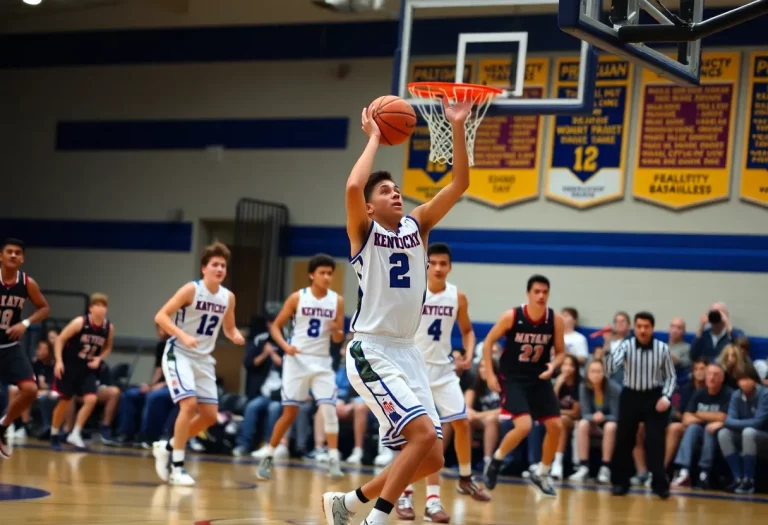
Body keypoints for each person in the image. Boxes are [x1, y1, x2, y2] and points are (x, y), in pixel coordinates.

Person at [321, 98, 471, 525]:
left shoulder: (418, 225)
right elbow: (353, 189)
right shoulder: (363, 232)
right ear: (370, 207)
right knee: (421, 434)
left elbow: (459, 183)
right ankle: (377, 519)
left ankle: (347, 504)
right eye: (385, 190)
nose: (396, 193)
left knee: (432, 457)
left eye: (397, 189)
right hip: (371, 349)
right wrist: (374, 137)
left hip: (409, 353)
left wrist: (457, 126)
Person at [396, 242, 489, 523]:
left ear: (449, 266)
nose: (437, 268)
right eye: (432, 263)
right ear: (426, 265)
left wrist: (469, 355)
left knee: (461, 423)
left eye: (443, 264)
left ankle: (463, 477)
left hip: (444, 370)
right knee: (419, 436)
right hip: (413, 370)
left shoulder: (457, 297)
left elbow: (468, 331)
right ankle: (407, 493)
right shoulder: (412, 291)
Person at [152, 242, 245, 486]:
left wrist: (234, 335)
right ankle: (178, 467)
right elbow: (160, 316)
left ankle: (168, 446)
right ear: (204, 268)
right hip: (179, 352)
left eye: (223, 265)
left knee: (209, 416)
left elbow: (229, 326)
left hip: (204, 359)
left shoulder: (228, 298)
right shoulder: (190, 290)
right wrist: (182, 335)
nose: (219, 269)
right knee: (189, 405)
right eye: (214, 264)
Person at [257, 254, 345, 479]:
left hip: (322, 362)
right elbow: (275, 327)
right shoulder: (298, 297)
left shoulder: (337, 301)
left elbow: (338, 340)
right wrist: (286, 347)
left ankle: (334, 458)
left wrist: (337, 330)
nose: (326, 277)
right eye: (322, 273)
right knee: (289, 413)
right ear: (311, 275)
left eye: (329, 273)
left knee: (329, 409)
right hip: (297, 361)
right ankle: (269, 454)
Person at [481, 274, 566, 496]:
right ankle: (496, 460)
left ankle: (542, 472)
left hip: (539, 378)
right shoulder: (512, 316)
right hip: (513, 378)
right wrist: (490, 374)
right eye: (536, 292)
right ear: (528, 293)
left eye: (545, 292)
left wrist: (553, 365)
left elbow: (561, 352)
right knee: (524, 425)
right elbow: (488, 342)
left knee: (557, 426)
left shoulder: (555, 320)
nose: (541, 296)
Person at [605, 311, 676, 499]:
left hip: (654, 397)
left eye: (646, 327)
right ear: (634, 328)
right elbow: (610, 368)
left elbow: (671, 377)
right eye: (639, 326)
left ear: (652, 328)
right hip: (630, 396)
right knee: (624, 439)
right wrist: (608, 346)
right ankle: (620, 482)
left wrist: (666, 397)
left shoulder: (662, 348)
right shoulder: (625, 345)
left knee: (655, 440)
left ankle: (659, 484)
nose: (643, 330)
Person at [0, 238, 50, 458]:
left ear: (22, 258)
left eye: (17, 253)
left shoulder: (27, 283)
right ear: (0, 256)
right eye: (9, 252)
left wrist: (26, 323)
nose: (13, 255)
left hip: (10, 346)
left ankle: (3, 426)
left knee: (30, 390)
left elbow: (44, 308)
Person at [51, 293, 113, 449]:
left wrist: (99, 358)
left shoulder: (108, 327)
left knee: (91, 399)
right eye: (97, 305)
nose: (101, 309)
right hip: (70, 365)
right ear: (91, 308)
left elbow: (107, 348)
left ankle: (75, 433)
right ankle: (54, 433)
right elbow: (60, 339)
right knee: (65, 401)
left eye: (104, 306)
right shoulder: (80, 322)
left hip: (87, 367)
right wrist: (58, 361)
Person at [670, 363, 731, 489]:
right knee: (692, 429)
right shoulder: (699, 393)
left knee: (709, 429)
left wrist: (698, 414)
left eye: (715, 375)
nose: (711, 378)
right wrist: (709, 417)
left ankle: (704, 474)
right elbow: (686, 418)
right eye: (709, 374)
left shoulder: (728, 393)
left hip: (719, 431)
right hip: (699, 429)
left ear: (722, 378)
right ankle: (684, 472)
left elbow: (723, 417)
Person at [718, 361, 768, 494]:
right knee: (723, 433)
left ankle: (749, 479)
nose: (744, 383)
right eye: (740, 379)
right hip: (746, 434)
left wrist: (732, 422)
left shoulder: (765, 394)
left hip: (764, 435)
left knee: (748, 432)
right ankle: (738, 477)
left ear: (754, 379)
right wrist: (730, 422)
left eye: (747, 379)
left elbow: (758, 423)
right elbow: (729, 420)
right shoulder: (736, 395)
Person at [570, 359, 620, 483]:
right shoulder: (583, 387)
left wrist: (602, 417)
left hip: (609, 425)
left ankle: (605, 467)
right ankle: (583, 467)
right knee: (582, 424)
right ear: (587, 373)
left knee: (610, 426)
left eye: (599, 371)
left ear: (604, 373)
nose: (595, 374)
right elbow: (584, 413)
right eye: (592, 371)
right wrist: (593, 417)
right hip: (593, 424)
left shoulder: (614, 388)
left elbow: (616, 415)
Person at [465, 358, 501, 468]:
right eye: (481, 367)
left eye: (486, 367)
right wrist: (471, 413)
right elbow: (466, 408)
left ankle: (487, 461)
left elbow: (504, 409)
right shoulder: (475, 386)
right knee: (466, 420)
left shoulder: (502, 386)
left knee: (491, 419)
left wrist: (478, 415)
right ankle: (465, 461)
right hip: (481, 420)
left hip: (502, 420)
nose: (483, 370)